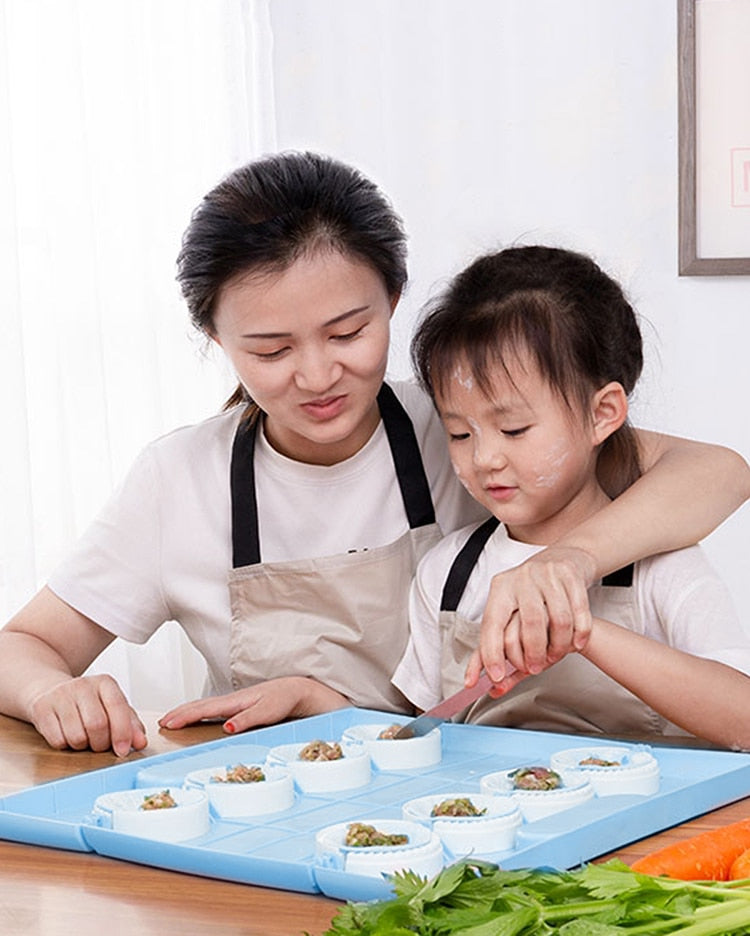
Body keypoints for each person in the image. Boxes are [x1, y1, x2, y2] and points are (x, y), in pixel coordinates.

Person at [0, 155, 747, 758]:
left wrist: (569, 563)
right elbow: (25, 645)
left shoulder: (461, 415)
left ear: (392, 298)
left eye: (348, 332)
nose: (318, 375)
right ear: (215, 341)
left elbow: (716, 472)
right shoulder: (181, 479)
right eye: (270, 349)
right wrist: (48, 692)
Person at [393, 245, 750, 748]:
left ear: (603, 413)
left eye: (514, 429)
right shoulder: (448, 571)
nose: (485, 458)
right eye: (460, 433)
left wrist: (585, 634)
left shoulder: (661, 566)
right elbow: (425, 733)